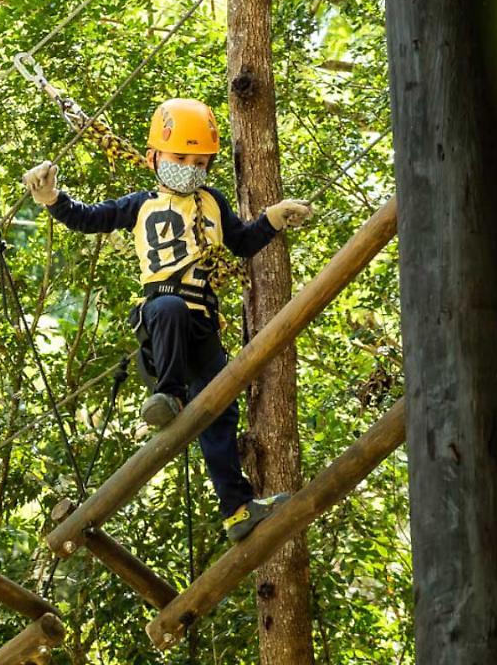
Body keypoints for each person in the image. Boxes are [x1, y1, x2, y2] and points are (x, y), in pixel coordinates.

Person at [21, 98, 313, 543]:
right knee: (169, 309)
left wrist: (273, 219)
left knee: (222, 409)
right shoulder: (141, 205)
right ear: (155, 156)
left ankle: (237, 510)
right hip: (162, 324)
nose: (190, 169)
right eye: (180, 158)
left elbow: (241, 243)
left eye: (200, 162)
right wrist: (51, 199)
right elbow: (88, 218)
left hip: (202, 325)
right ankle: (168, 396)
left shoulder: (211, 203)